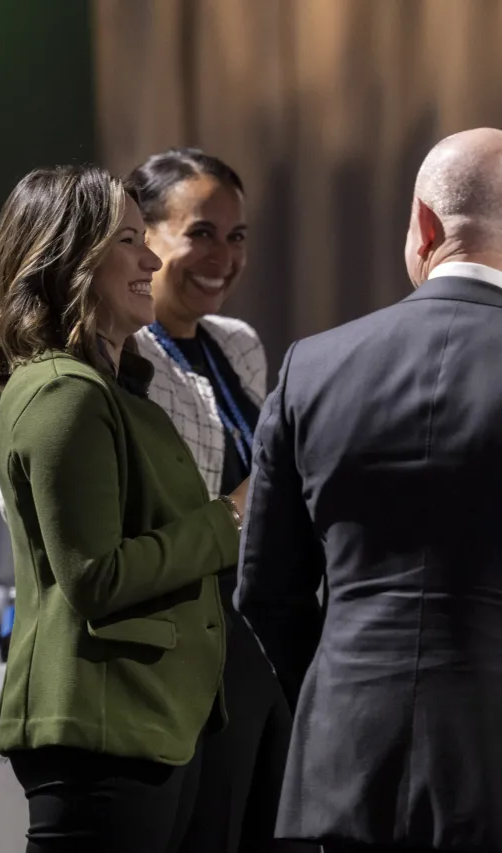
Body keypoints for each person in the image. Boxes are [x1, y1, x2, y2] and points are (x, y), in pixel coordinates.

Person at [235, 127, 502, 853]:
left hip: (345, 766)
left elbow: (263, 591)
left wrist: (346, 689)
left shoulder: (311, 369)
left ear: (424, 225)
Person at [0, 164, 250, 852]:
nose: (151, 259)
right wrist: (231, 519)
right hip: (102, 731)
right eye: (130, 240)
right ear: (70, 257)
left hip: (147, 722)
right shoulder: (63, 393)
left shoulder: (114, 389)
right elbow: (95, 574)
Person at [128, 147, 290, 853]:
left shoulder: (239, 343)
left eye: (236, 235)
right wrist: (247, 499)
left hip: (262, 638)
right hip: (187, 650)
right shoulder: (127, 357)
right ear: (146, 238)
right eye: (200, 232)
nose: (222, 254)